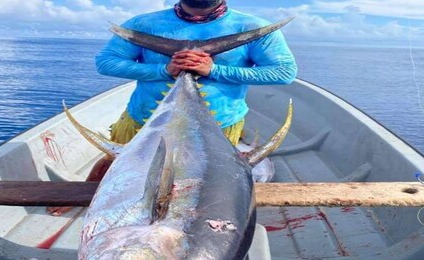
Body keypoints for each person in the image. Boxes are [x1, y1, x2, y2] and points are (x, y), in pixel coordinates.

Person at [47, 0, 297, 216]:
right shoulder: (143, 24)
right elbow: (106, 63)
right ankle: (83, 196)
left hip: (218, 123)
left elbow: (285, 72)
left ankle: (191, 214)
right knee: (115, 159)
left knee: (207, 173)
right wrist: (164, 69)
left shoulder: (252, 28)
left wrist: (213, 70)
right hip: (145, 117)